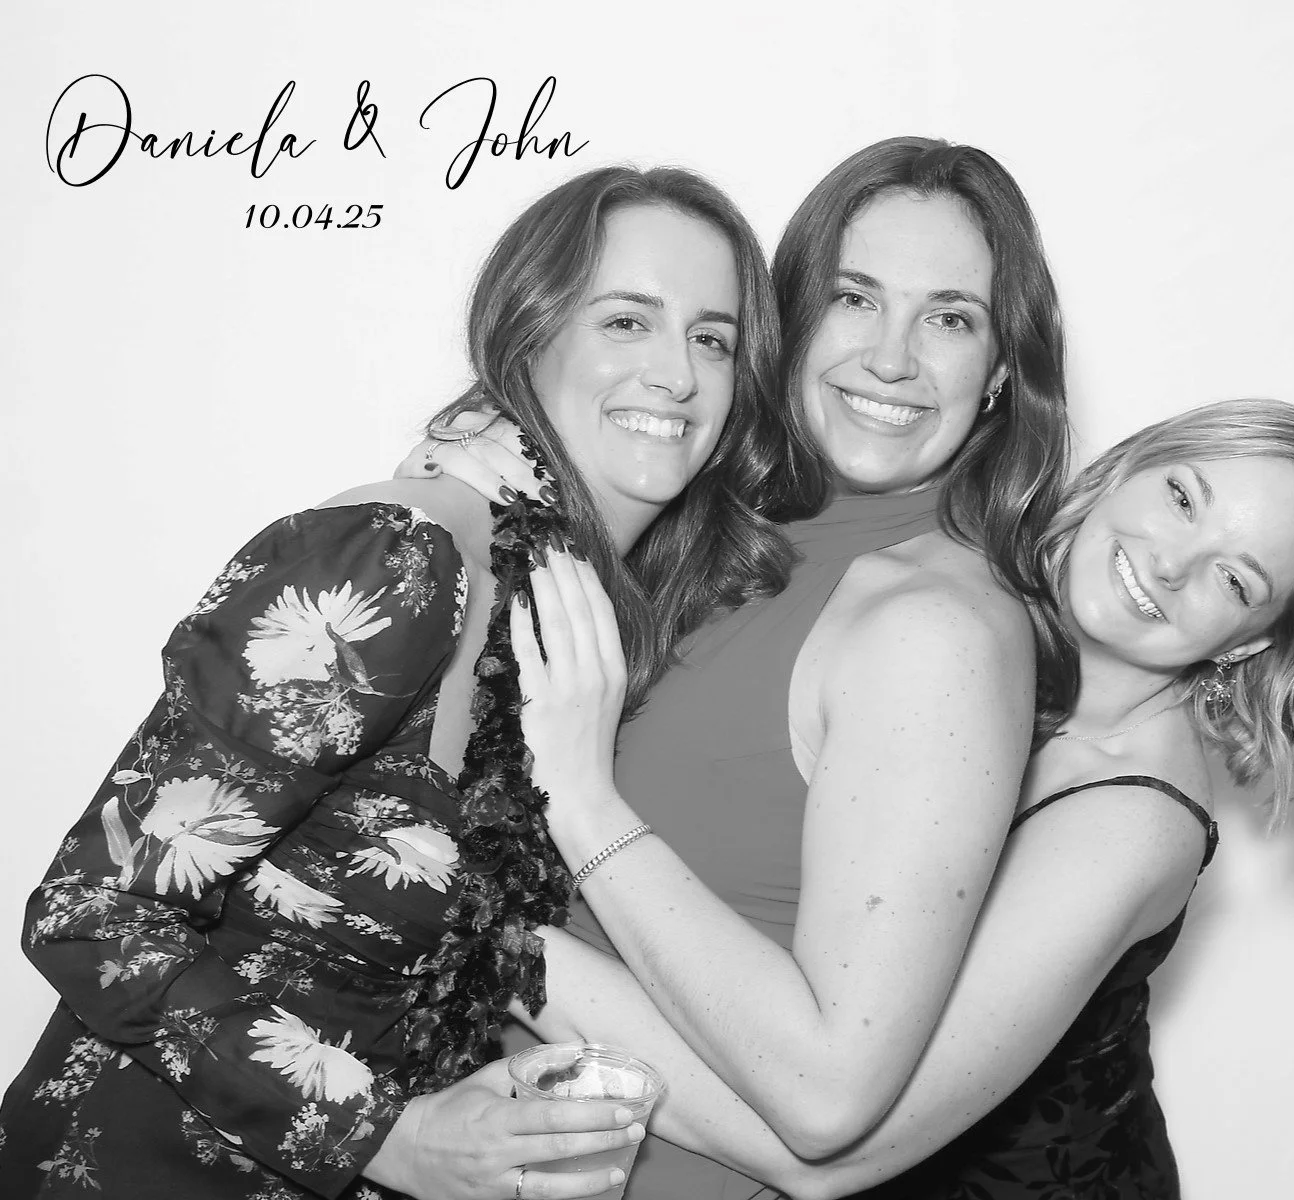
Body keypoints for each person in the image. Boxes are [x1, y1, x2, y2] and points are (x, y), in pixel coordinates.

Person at [0, 164, 789, 1200]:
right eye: (627, 321)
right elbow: (93, 913)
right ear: (531, 332)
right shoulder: (398, 565)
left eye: (713, 338)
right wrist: (388, 1137)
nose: (679, 374)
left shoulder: (585, 620)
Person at [396, 135, 1075, 1199]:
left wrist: (500, 861)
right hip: (472, 1142)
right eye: (855, 298)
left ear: (999, 374)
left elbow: (825, 1093)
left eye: (950, 317)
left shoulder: (931, 630)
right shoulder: (718, 529)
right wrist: (474, 484)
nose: (891, 358)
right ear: (790, 320)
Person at [499, 398, 1294, 1199]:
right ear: (1123, 470)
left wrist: (484, 940)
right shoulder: (978, 618)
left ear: (1249, 643)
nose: (1175, 562)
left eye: (1237, 581)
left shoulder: (1132, 821)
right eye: (1183, 499)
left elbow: (817, 1152)